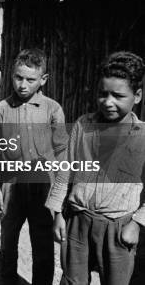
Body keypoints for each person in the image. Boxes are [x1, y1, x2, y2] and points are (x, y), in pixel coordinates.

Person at [46, 51, 145, 285]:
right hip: (78, 220)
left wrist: (137, 224)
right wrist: (58, 213)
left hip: (118, 226)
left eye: (118, 96)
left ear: (138, 96)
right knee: (72, 280)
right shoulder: (83, 125)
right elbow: (65, 170)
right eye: (103, 94)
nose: (108, 102)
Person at [0, 48, 68, 285]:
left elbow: (62, 152)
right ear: (11, 75)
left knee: (42, 240)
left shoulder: (52, 109)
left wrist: (58, 195)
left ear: (43, 79)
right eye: (18, 77)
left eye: (30, 79)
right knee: (9, 235)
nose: (23, 84)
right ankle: (8, 278)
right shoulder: (2, 108)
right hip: (11, 183)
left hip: (43, 184)